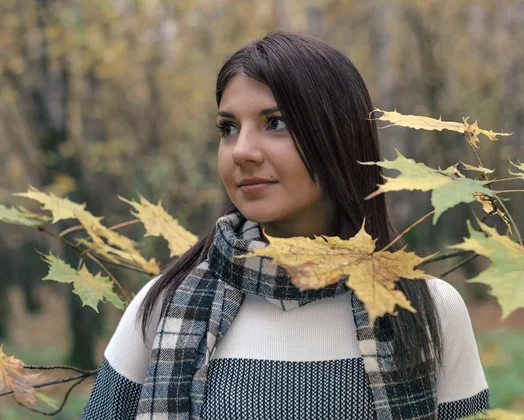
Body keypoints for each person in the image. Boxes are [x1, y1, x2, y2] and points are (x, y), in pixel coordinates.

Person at [81, 31, 489, 419]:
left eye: (275, 123)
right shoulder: (166, 304)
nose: (241, 151)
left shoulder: (429, 308)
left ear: (339, 136)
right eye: (228, 128)